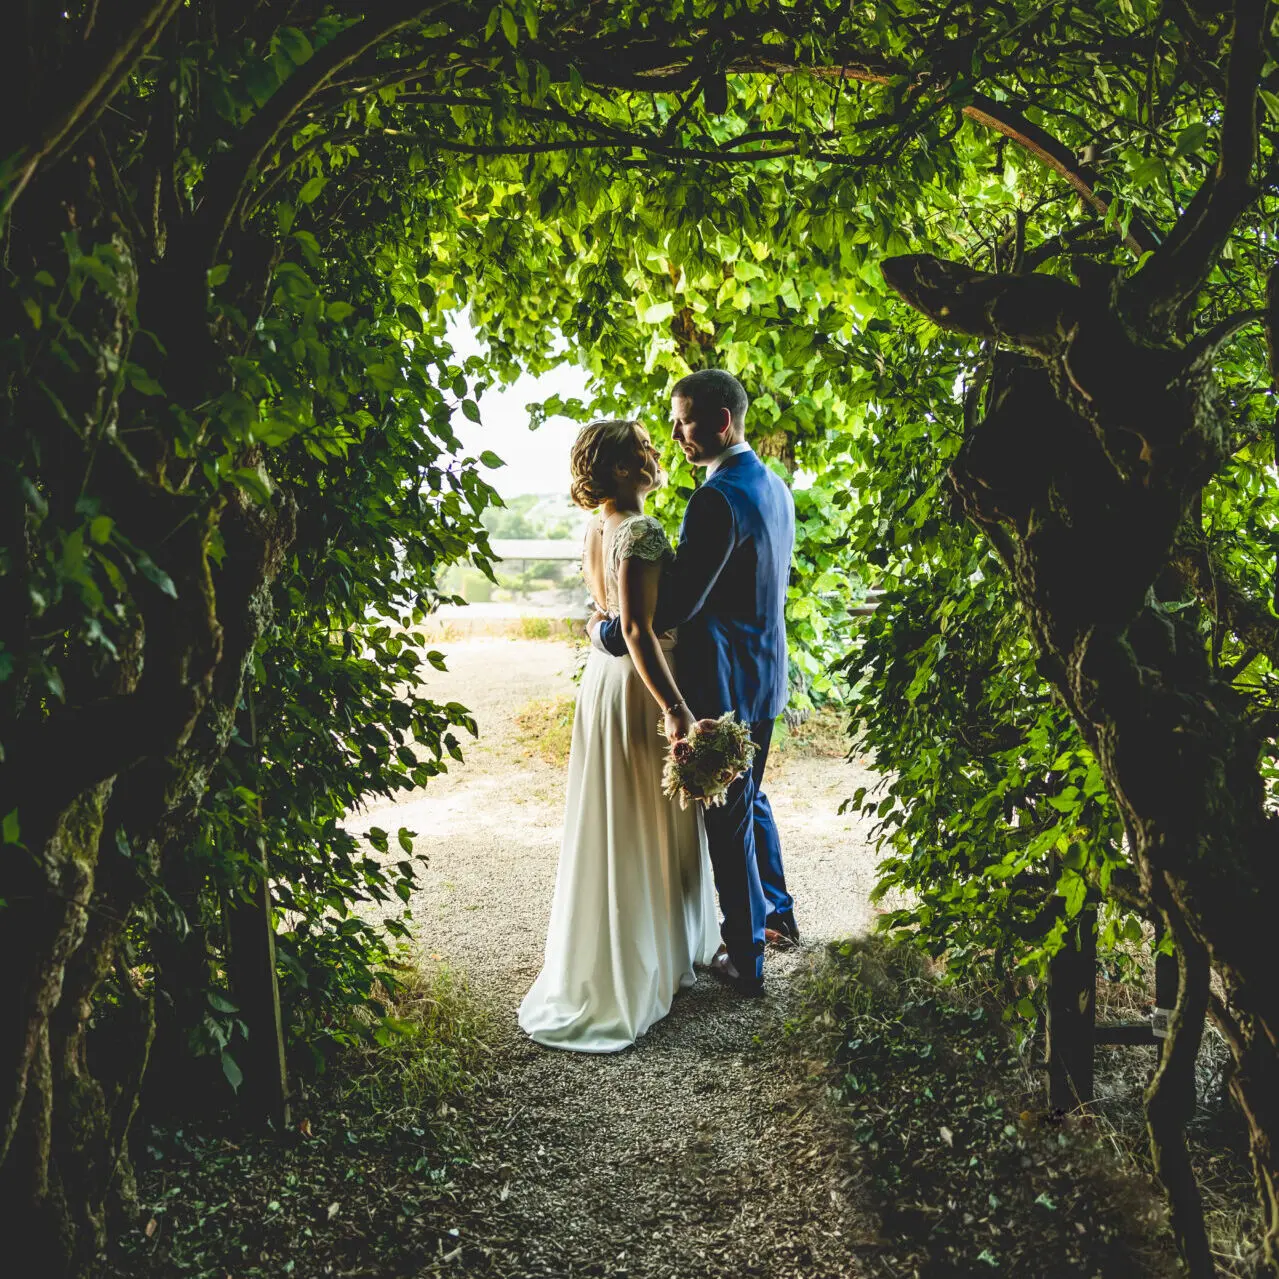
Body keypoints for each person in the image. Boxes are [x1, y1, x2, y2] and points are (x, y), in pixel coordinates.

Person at [590, 371, 797, 997]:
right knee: (751, 797)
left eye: (684, 420)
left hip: (724, 680)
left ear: (722, 424)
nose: (676, 434)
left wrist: (603, 634)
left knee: (729, 817)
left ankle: (748, 960)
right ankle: (778, 915)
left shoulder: (715, 499)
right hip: (766, 673)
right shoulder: (774, 484)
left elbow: (672, 609)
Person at [517, 419, 720, 1052]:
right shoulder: (640, 529)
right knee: (640, 815)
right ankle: (639, 962)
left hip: (603, 683)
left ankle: (637, 949)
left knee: (624, 815)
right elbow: (636, 629)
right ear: (627, 468)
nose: (657, 454)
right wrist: (675, 707)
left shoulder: (597, 527)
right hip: (638, 685)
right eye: (644, 450)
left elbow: (602, 617)